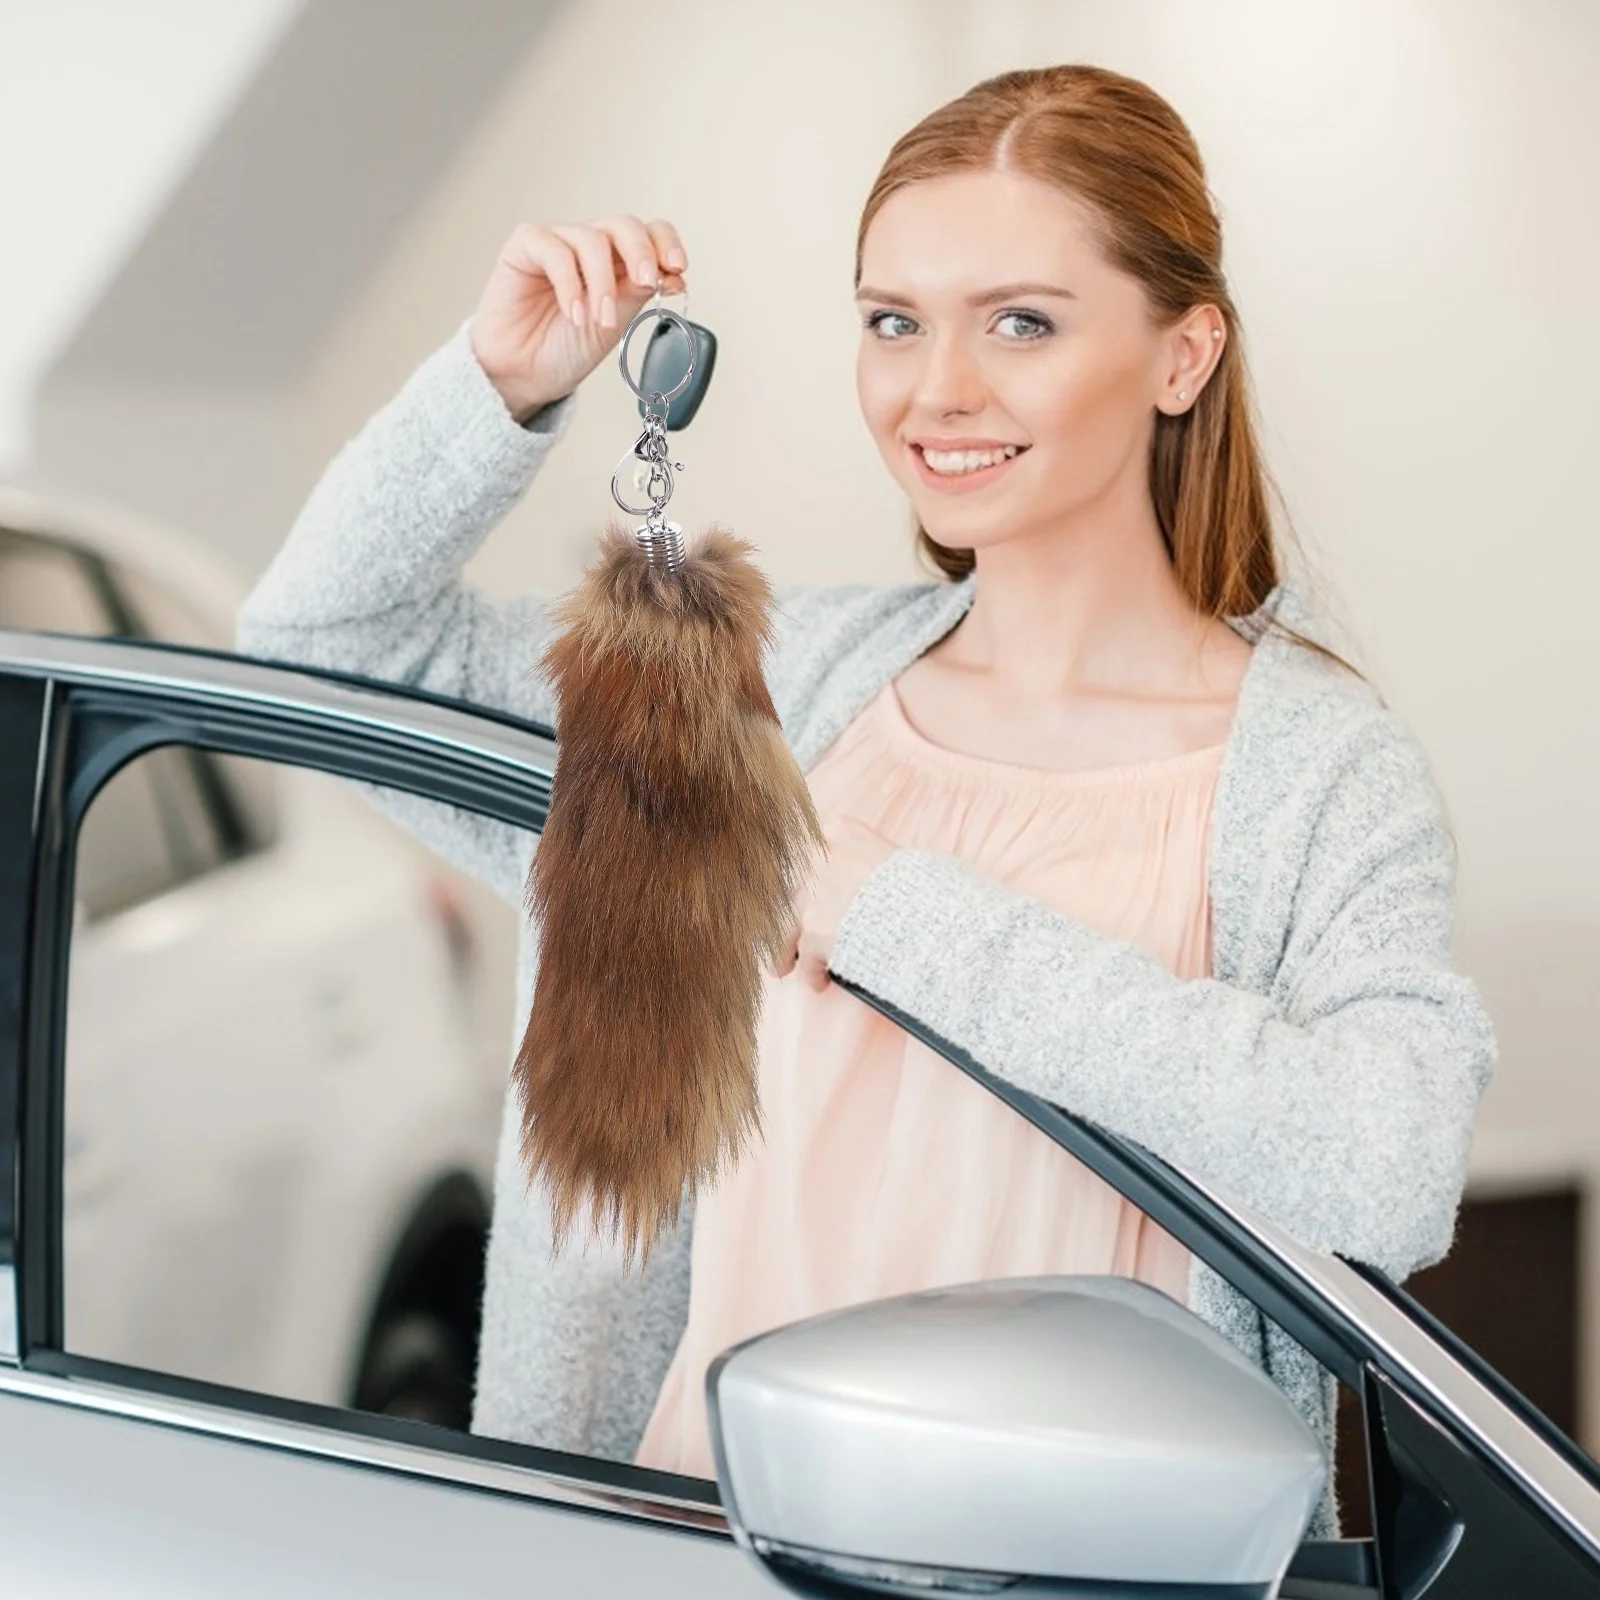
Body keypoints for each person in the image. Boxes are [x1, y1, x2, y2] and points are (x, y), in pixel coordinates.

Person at [234, 63, 1497, 1539]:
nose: (934, 388)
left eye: (1020, 321)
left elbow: (1387, 1170)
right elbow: (322, 646)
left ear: (1182, 354)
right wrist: (497, 386)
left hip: (1086, 1578)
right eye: (893, 320)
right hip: (690, 1554)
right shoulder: (761, 693)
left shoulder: (1320, 777)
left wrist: (893, 909)